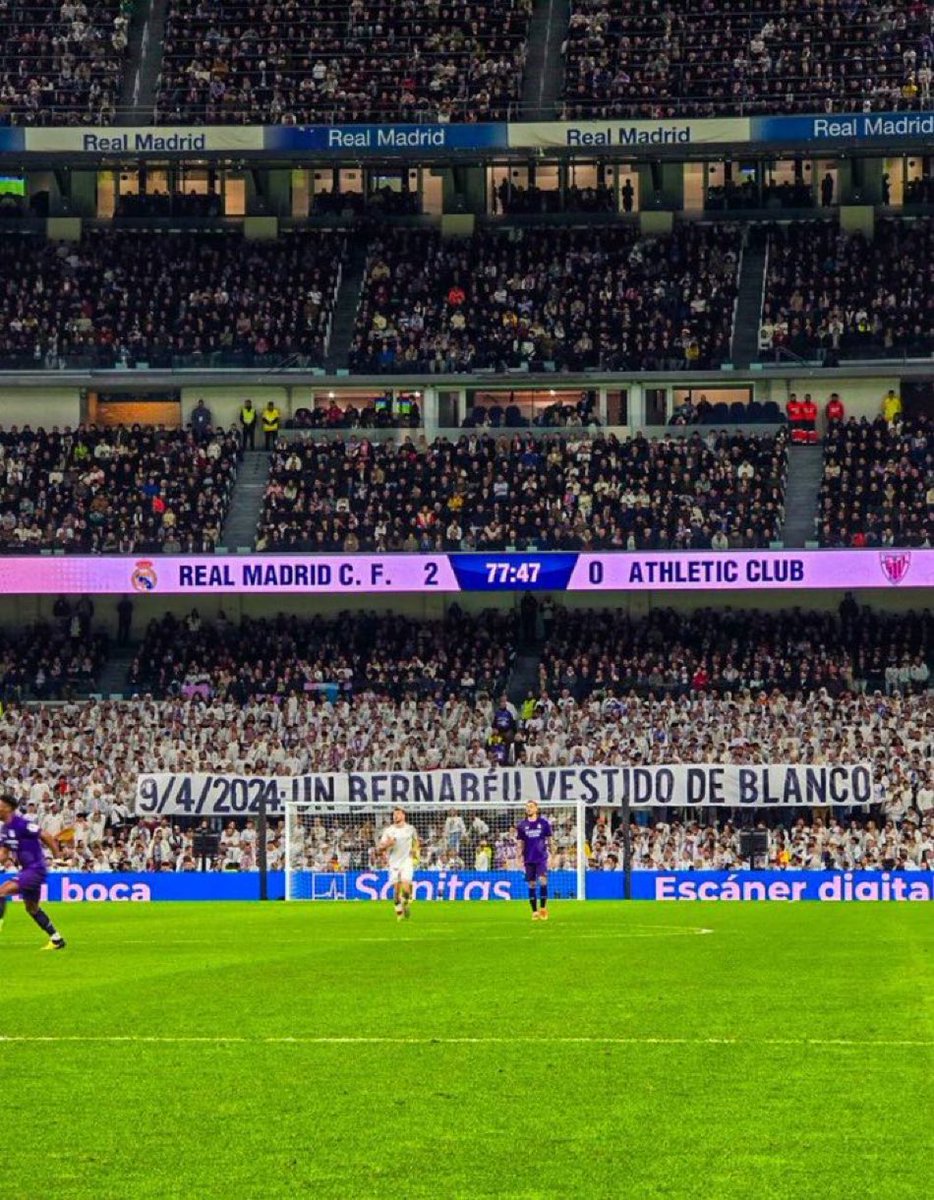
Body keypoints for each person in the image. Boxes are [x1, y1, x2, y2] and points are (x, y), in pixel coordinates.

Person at [0, 794, 66, 950]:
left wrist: (57, 856)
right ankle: (57, 939)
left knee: (1, 891)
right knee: (32, 908)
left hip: (35, 869)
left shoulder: (22, 824)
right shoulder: (5, 828)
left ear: (8, 808)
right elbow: (3, 853)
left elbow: (46, 836)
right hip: (27, 870)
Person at [378, 806, 419, 921]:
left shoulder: (410, 829)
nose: (395, 816)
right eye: (394, 814)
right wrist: (388, 844)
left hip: (407, 861)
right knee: (396, 892)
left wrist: (415, 854)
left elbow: (416, 843)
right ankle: (399, 913)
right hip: (394, 863)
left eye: (398, 814)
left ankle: (405, 903)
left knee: (406, 887)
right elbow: (380, 848)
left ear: (403, 815)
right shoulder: (389, 831)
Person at [516, 799, 553, 921]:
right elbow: (520, 843)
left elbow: (549, 840)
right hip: (528, 858)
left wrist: (552, 855)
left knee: (543, 881)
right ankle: (534, 911)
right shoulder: (522, 825)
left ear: (536, 808)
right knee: (531, 884)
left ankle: (543, 909)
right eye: (527, 807)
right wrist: (518, 857)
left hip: (541, 857)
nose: (529, 809)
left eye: (531, 806)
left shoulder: (543, 823)